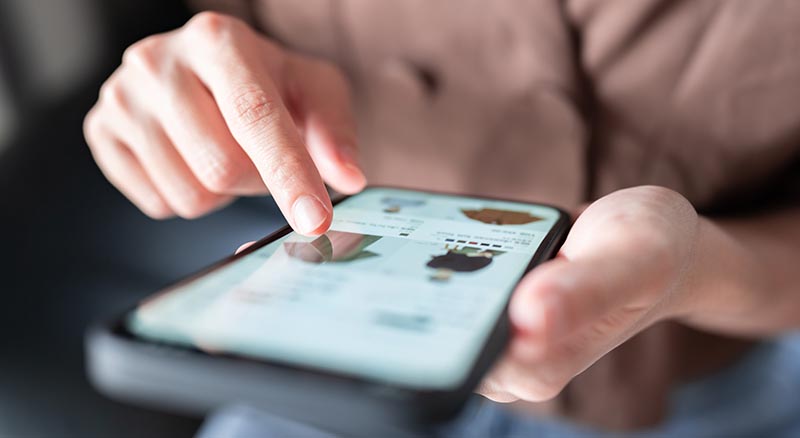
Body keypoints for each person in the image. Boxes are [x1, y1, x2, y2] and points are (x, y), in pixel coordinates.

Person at [83, 1, 800, 435]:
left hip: (721, 381)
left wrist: (702, 268)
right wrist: (166, 99)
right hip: (339, 361)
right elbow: (202, 58)